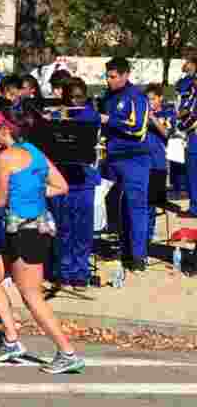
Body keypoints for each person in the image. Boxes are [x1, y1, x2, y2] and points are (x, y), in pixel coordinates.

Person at [0, 109, 83, 373]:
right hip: (32, 228)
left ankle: (66, 351)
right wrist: (36, 191)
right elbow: (62, 186)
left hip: (25, 232)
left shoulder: (5, 158)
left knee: (31, 295)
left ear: (5, 129)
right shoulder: (36, 152)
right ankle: (12, 340)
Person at [47, 78, 100, 289]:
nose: (75, 101)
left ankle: (80, 272)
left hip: (84, 178)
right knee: (63, 227)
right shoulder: (55, 115)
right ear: (64, 97)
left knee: (83, 228)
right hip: (61, 179)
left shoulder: (91, 115)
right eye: (71, 97)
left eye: (79, 97)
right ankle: (63, 270)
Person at [100, 57, 150, 272]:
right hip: (111, 158)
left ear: (125, 75)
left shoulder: (136, 97)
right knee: (112, 206)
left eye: (113, 76)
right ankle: (120, 249)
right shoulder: (108, 97)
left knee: (135, 206)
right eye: (107, 76)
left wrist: (107, 120)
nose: (109, 80)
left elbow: (138, 128)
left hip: (133, 159)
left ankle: (138, 257)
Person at [146, 84, 172, 242]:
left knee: (152, 203)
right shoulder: (140, 114)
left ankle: (148, 237)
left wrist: (152, 117)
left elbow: (167, 132)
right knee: (141, 204)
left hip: (158, 164)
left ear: (160, 98)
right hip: (142, 163)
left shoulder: (167, 113)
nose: (149, 102)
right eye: (147, 99)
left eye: (152, 99)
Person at [177, 54, 197, 210]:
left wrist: (181, 121)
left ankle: (195, 206)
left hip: (193, 135)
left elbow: (189, 112)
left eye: (187, 61)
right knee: (191, 173)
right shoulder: (187, 85)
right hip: (190, 135)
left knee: (193, 173)